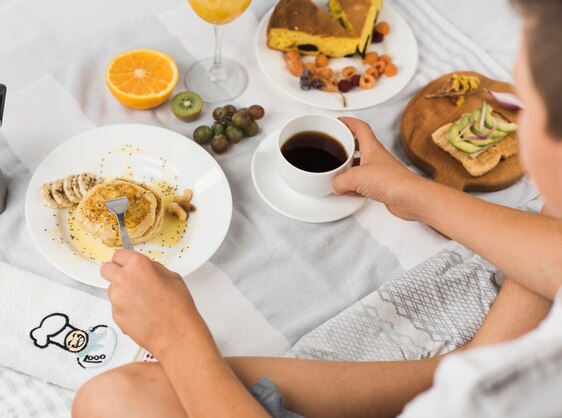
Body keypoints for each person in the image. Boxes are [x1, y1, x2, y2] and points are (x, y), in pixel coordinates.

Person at [72, 0, 562, 416]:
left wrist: (175, 333)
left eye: (522, 108)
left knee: (111, 399)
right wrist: (411, 195)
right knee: (123, 392)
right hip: (472, 366)